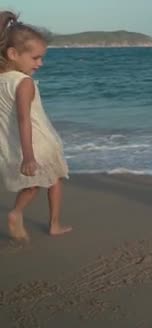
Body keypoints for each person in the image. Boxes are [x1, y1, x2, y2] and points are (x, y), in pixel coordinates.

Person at [0, 11, 72, 241]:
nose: (40, 63)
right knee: (54, 180)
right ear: (13, 53)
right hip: (37, 143)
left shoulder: (2, 80)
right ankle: (52, 224)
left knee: (34, 184)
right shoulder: (24, 82)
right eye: (35, 58)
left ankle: (18, 213)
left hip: (13, 143)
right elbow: (23, 118)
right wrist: (29, 156)